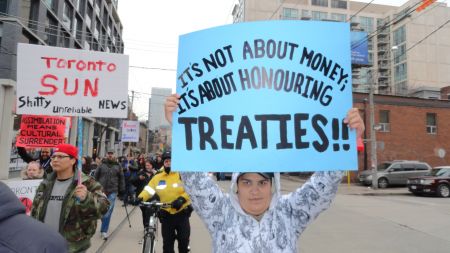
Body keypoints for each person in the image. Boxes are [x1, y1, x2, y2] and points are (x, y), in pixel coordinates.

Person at [164, 94, 365, 252]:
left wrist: (348, 137)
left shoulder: (289, 213)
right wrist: (180, 126)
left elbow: (324, 184)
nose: (255, 190)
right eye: (247, 182)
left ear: (272, 186)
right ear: (236, 187)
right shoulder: (221, 213)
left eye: (262, 182)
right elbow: (194, 180)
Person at [30, 143, 110, 253]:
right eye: (53, 157)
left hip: (72, 246)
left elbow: (104, 208)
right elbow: (35, 211)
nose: (55, 160)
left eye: (60, 157)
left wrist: (87, 198)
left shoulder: (86, 183)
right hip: (45, 244)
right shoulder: (46, 183)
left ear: (73, 160)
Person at [138, 151, 193, 253]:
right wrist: (140, 198)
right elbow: (149, 189)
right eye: (166, 161)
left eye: (171, 161)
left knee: (183, 243)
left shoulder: (182, 174)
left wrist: (181, 199)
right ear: (163, 162)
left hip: (181, 213)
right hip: (166, 215)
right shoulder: (158, 177)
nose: (168, 163)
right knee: (167, 246)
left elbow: (190, 190)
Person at [0, 181, 68, 253]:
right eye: (30, 169)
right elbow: (35, 208)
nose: (31, 171)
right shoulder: (44, 185)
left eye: (34, 169)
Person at [95, 149, 125, 240]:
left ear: (114, 155)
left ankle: (104, 231)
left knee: (108, 211)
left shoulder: (118, 166)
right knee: (101, 210)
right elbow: (96, 176)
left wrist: (122, 190)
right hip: (102, 190)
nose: (110, 155)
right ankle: (104, 225)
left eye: (112, 154)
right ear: (106, 154)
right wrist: (95, 187)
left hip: (113, 190)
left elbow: (121, 178)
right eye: (109, 153)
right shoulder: (101, 165)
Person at [132, 159, 157, 229]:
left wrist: (157, 174)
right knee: (145, 212)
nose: (147, 167)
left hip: (153, 197)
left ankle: (151, 225)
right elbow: (132, 181)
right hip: (142, 196)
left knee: (152, 212)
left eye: (149, 165)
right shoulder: (141, 173)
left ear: (152, 165)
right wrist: (139, 178)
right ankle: (146, 226)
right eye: (146, 165)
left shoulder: (156, 174)